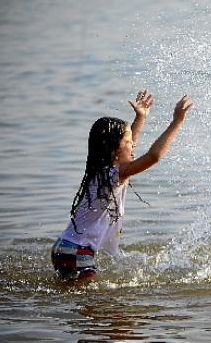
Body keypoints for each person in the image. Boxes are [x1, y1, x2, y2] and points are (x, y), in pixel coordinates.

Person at [51, 90, 194, 280]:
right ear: (113, 151)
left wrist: (140, 118)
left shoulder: (103, 171)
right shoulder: (113, 174)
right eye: (128, 142)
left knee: (76, 297)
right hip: (78, 251)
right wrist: (177, 122)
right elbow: (153, 157)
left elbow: (128, 146)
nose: (133, 145)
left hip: (66, 246)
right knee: (92, 304)